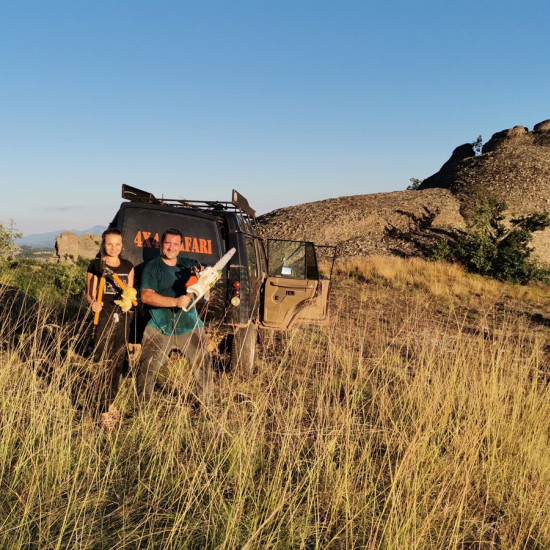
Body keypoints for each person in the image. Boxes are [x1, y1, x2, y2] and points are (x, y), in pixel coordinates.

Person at [135, 228, 213, 407]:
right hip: (160, 325)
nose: (171, 247)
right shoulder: (152, 267)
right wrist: (175, 301)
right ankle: (143, 408)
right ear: (162, 244)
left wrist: (203, 273)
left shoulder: (187, 264)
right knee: (147, 368)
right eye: (168, 243)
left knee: (203, 368)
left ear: (180, 246)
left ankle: (206, 407)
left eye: (175, 244)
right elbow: (146, 296)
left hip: (190, 324)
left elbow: (204, 275)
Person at [86, 228, 135, 430]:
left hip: (122, 318)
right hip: (104, 316)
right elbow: (89, 293)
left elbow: (130, 292)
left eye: (117, 244)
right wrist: (92, 304)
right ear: (103, 245)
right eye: (109, 244)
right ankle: (103, 409)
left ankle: (111, 401)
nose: (113, 248)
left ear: (122, 245)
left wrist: (129, 302)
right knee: (105, 362)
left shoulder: (128, 266)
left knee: (117, 362)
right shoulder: (96, 265)